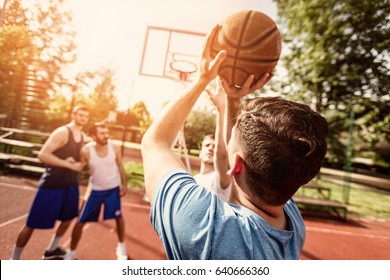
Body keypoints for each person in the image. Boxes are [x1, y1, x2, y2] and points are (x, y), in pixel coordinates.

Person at [141, 24, 328, 259]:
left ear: (236, 164)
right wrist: (233, 98)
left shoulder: (204, 228)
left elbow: (154, 142)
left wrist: (202, 79)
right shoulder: (292, 222)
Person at [10, 105, 89, 260]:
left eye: (85, 116)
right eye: (80, 115)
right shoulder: (62, 132)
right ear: (73, 115)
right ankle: (14, 259)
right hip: (52, 184)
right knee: (31, 224)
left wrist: (81, 164)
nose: (83, 118)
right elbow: (43, 155)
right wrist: (67, 164)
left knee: (68, 218)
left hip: (71, 184)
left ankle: (51, 249)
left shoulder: (82, 135)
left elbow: (84, 158)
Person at [64, 122, 128, 260]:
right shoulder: (86, 151)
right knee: (80, 221)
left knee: (118, 218)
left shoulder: (115, 147)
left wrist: (124, 184)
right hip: (95, 190)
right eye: (102, 133)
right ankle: (72, 252)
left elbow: (120, 166)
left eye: (107, 132)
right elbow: (79, 166)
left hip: (112, 189)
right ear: (93, 136)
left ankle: (121, 246)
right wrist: (67, 162)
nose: (106, 135)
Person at [194, 79, 231, 201]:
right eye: (207, 145)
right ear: (200, 151)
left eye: (214, 146)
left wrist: (222, 109)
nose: (211, 148)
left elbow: (222, 155)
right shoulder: (194, 180)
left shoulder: (221, 178)